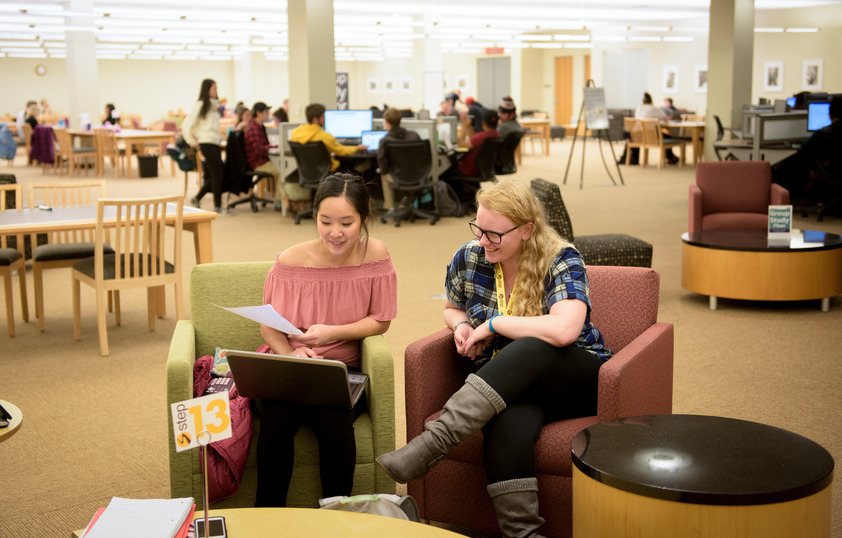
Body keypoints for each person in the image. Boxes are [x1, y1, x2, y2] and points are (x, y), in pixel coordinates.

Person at [376, 179, 611, 537]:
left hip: (575, 373)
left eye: (494, 234)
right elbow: (452, 308)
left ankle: (433, 443)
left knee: (533, 345)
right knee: (506, 423)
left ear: (527, 230)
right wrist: (461, 328)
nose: (482, 240)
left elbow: (564, 330)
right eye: (478, 228)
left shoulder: (561, 257)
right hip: (511, 383)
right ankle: (523, 534)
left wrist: (493, 324)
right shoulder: (470, 256)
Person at [254, 173, 397, 507]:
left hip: (340, 368)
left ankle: (336, 515)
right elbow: (268, 327)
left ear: (363, 219)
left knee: (334, 425)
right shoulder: (290, 260)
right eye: (325, 221)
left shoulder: (376, 254)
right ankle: (266, 518)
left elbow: (381, 320)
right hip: (290, 362)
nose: (335, 232)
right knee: (276, 421)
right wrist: (291, 351)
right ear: (314, 216)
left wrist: (332, 333)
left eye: (346, 223)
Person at [183, 79, 227, 214]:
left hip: (215, 142)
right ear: (207, 90)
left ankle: (197, 198)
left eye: (217, 88)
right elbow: (186, 125)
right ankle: (218, 206)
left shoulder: (214, 106)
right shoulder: (200, 105)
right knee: (217, 173)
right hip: (206, 142)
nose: (216, 91)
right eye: (214, 88)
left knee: (216, 173)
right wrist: (191, 141)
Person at [290, 103, 367, 173]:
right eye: (323, 117)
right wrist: (357, 147)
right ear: (315, 119)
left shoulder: (295, 133)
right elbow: (341, 151)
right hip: (330, 172)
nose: (325, 119)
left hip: (308, 173)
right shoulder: (325, 136)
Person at [377, 107, 421, 209]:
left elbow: (382, 164)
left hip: (397, 177)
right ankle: (408, 202)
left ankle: (390, 207)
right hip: (417, 176)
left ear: (387, 123)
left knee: (383, 175)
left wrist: (384, 170)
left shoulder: (385, 141)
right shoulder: (414, 136)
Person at [244, 101, 281, 201]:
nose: (268, 114)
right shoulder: (253, 129)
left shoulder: (260, 127)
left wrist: (272, 147)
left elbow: (263, 147)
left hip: (262, 160)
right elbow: (259, 150)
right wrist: (273, 147)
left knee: (283, 166)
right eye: (266, 112)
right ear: (259, 113)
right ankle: (279, 202)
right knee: (282, 171)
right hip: (257, 163)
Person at [635, 92, 678, 164]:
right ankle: (670, 157)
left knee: (665, 136)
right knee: (668, 137)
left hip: (638, 135)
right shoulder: (654, 108)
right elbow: (666, 119)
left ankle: (670, 157)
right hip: (651, 135)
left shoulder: (639, 108)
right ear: (651, 101)